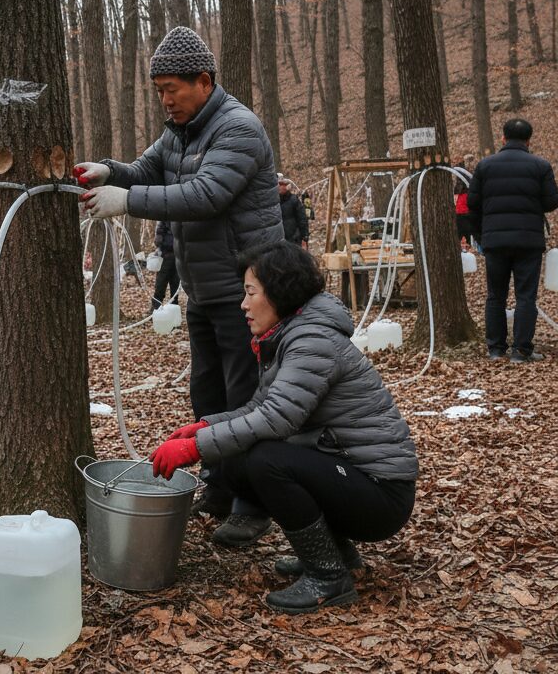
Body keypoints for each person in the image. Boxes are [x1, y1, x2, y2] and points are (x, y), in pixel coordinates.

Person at [76, 26, 283, 541]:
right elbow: (146, 169)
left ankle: (253, 504)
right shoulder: (179, 132)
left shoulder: (238, 128)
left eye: (172, 89)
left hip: (246, 292)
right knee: (207, 394)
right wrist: (109, 172)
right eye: (158, 91)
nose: (165, 100)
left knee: (246, 397)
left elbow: (206, 195)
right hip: (204, 290)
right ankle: (219, 485)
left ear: (204, 81)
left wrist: (127, 202)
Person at [150, 241, 418, 614]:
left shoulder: (312, 340)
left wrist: (196, 448)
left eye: (250, 292)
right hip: (354, 476)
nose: (243, 305)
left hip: (381, 494)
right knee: (239, 460)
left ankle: (328, 577)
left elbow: (277, 418)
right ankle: (337, 554)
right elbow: (260, 407)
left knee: (266, 460)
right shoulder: (292, 333)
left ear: (279, 292)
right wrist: (203, 427)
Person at [467, 118, 558, 362]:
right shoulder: (541, 166)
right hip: (529, 241)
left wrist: (480, 234)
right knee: (525, 296)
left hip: (495, 240)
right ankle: (521, 350)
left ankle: (496, 349)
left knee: (495, 295)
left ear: (503, 138)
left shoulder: (485, 166)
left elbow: (473, 203)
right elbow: (551, 202)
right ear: (529, 141)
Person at [151, 221, 180, 310]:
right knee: (161, 285)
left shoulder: (180, 220)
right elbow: (158, 239)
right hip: (166, 257)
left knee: (174, 287)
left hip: (177, 258)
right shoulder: (164, 221)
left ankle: (172, 311)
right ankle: (155, 309)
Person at [277, 174, 309, 249]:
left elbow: (302, 219)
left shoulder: (294, 200)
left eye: (281, 184)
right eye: (278, 185)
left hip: (294, 240)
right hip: (279, 240)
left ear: (287, 186)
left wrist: (305, 236)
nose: (279, 187)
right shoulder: (273, 203)